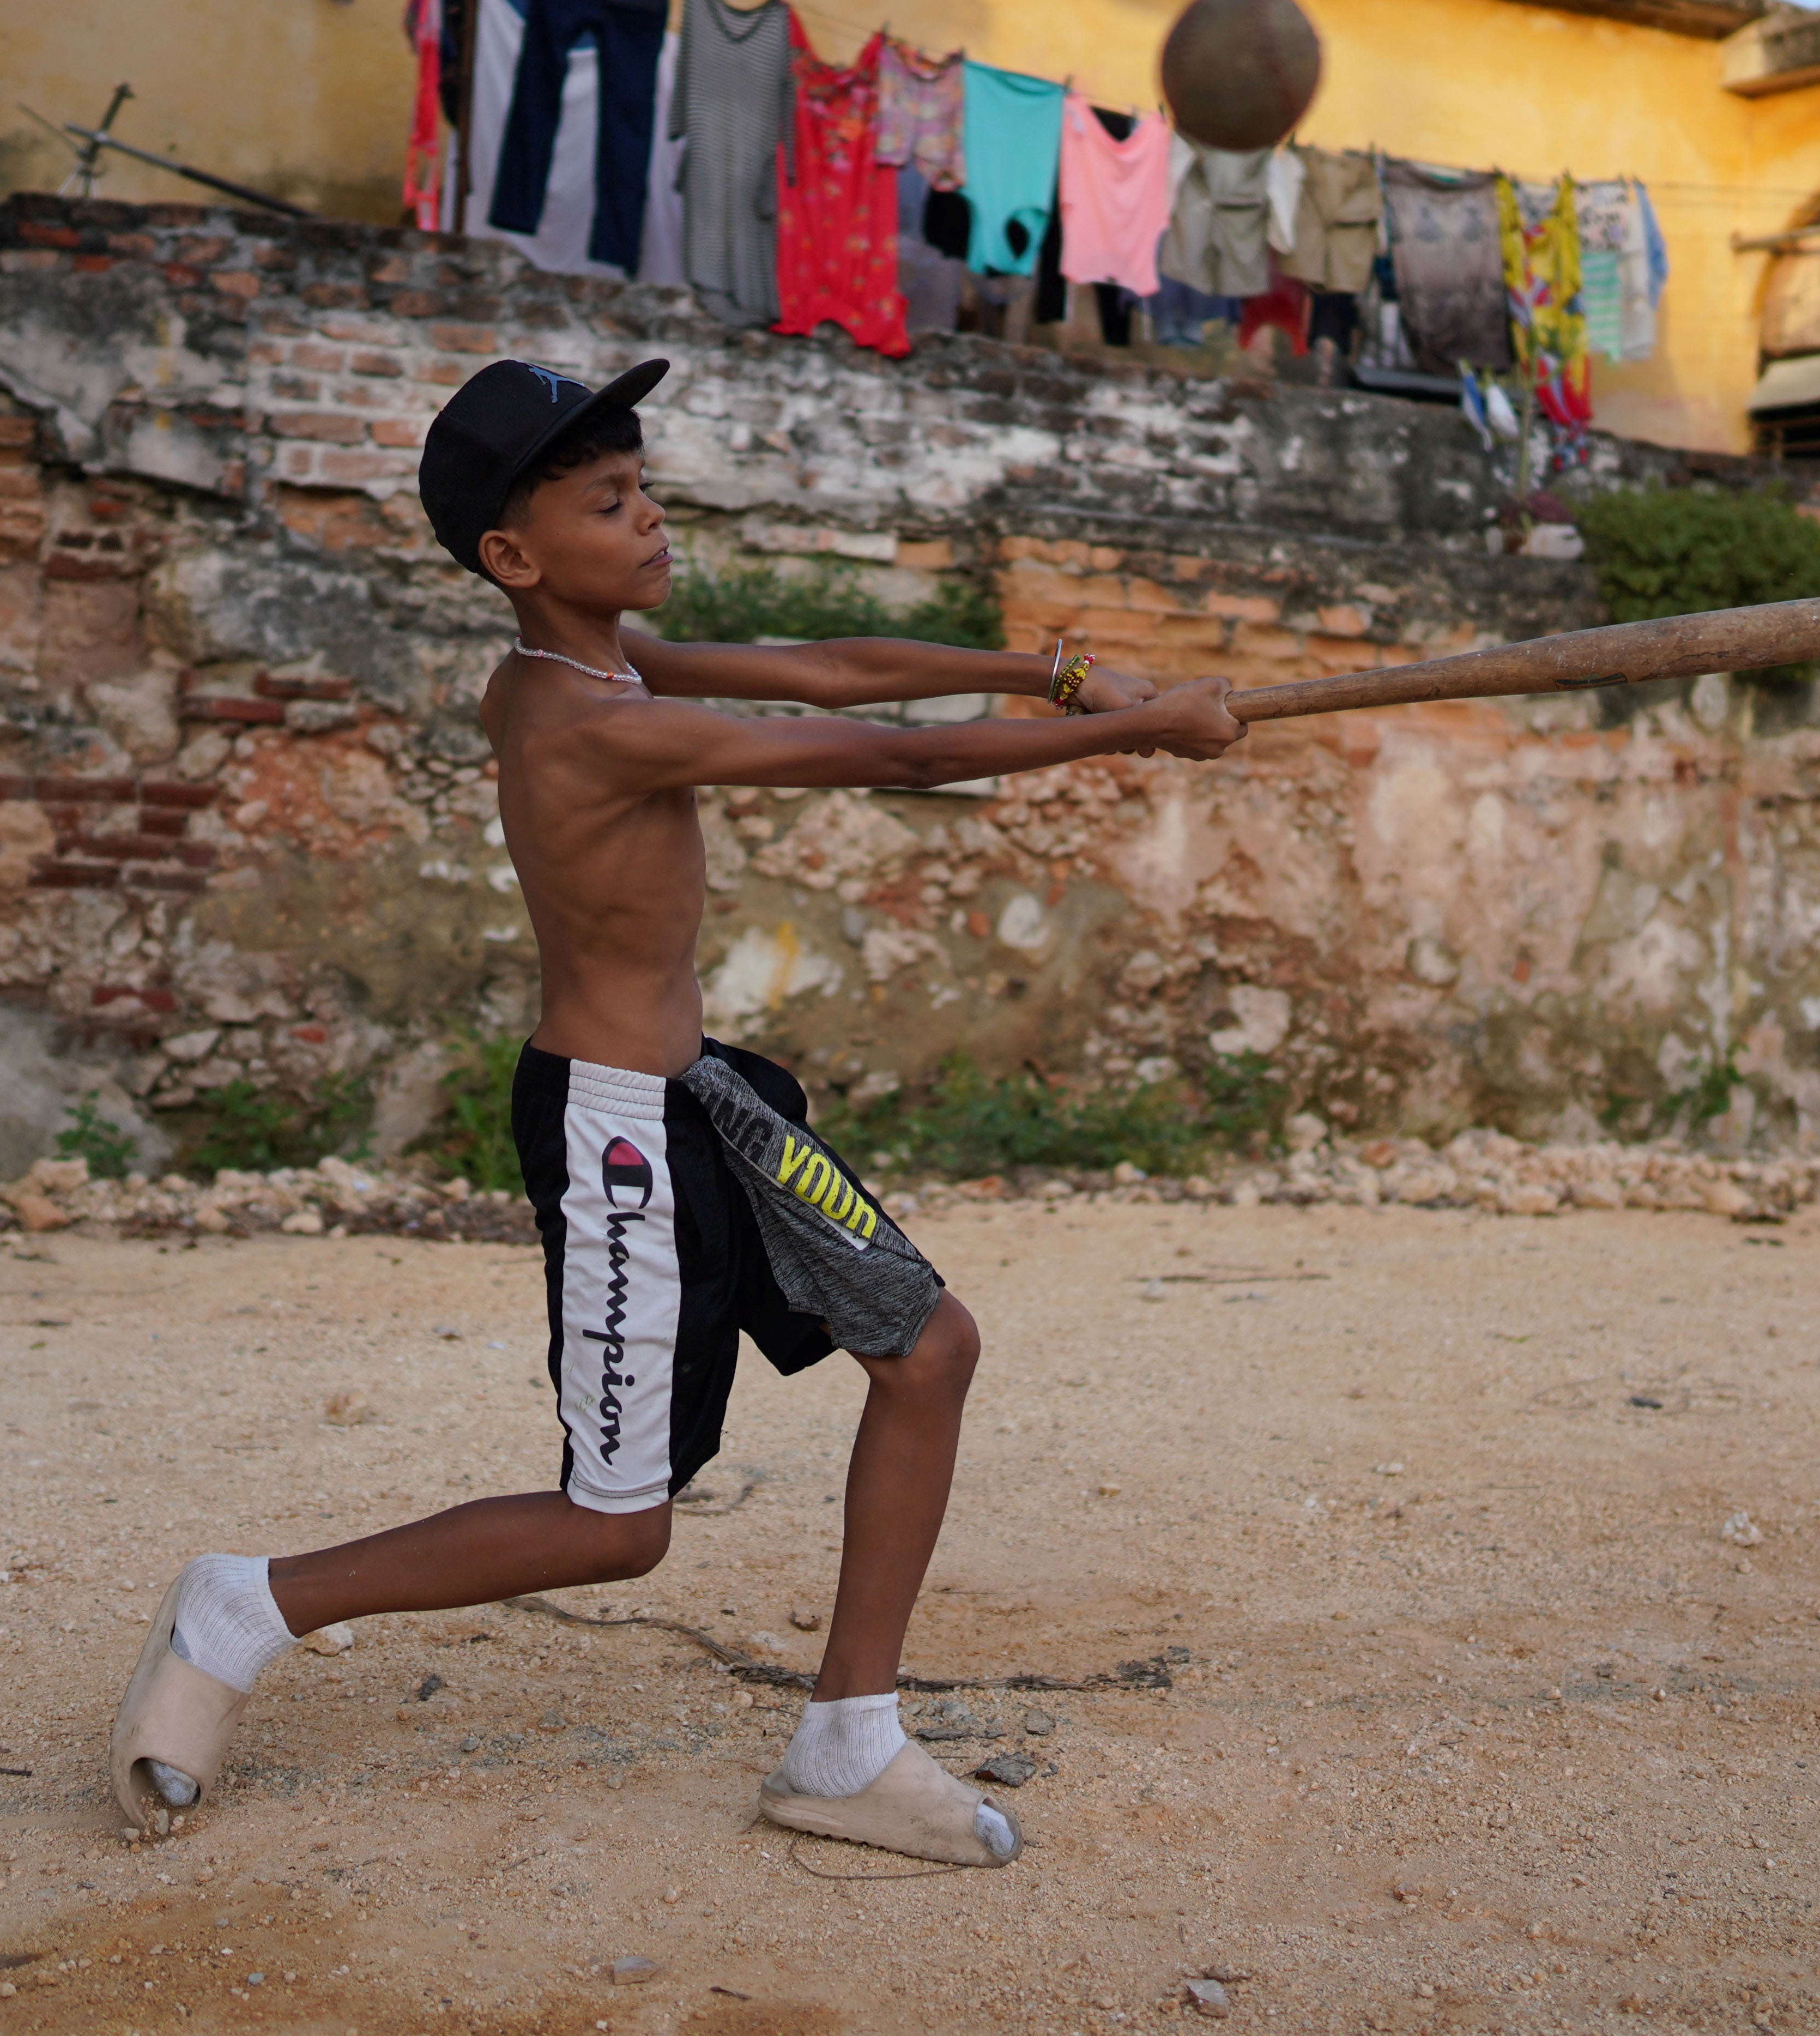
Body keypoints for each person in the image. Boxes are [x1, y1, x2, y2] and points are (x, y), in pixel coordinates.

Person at [107, 357, 1243, 1864]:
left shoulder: (611, 666)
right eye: (607, 503)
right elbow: (894, 759)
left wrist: (1057, 679)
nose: (648, 520)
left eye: (645, 490)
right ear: (512, 558)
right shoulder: (580, 720)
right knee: (616, 1529)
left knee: (927, 1348)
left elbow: (835, 668)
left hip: (701, 1097)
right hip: (613, 1131)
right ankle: (246, 1604)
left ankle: (847, 1744)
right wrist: (1142, 737)